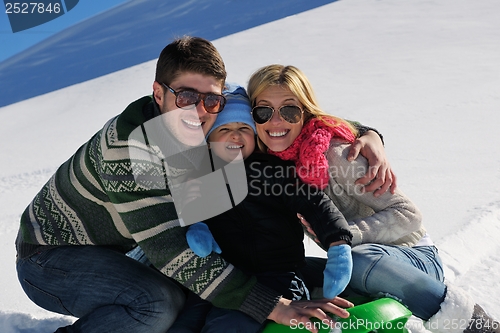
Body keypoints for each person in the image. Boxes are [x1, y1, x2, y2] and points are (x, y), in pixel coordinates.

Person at [14, 36, 390, 333]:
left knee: (202, 286)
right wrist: (275, 306)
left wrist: (364, 133)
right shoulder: (131, 152)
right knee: (158, 305)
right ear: (158, 93)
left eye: (211, 100)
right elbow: (171, 252)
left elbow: (279, 117)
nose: (198, 110)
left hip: (125, 248)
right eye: (186, 96)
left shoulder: (204, 122)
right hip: (52, 257)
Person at [245, 64, 499, 333]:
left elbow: (408, 215)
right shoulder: (272, 167)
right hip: (349, 264)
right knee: (269, 272)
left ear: (305, 112)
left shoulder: (338, 155)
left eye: (289, 110)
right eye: (264, 111)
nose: (276, 121)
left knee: (360, 259)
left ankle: (478, 326)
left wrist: (342, 237)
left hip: (409, 260)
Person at [184, 85, 354, 332]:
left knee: (229, 325)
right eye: (224, 130)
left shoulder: (272, 170)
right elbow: (192, 207)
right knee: (184, 322)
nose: (235, 136)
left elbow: (314, 202)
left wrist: (338, 243)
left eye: (244, 129)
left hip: (277, 277)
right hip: (225, 278)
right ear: (208, 139)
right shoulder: (200, 175)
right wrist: (197, 228)